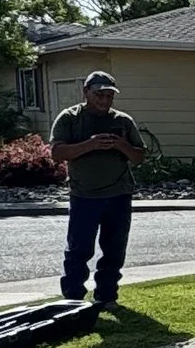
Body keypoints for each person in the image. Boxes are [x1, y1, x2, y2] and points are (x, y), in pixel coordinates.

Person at [49, 66, 146, 312]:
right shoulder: (70, 118)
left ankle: (106, 297)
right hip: (84, 195)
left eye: (109, 96)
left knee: (114, 250)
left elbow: (139, 157)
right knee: (79, 250)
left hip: (119, 194)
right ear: (86, 92)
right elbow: (57, 154)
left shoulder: (122, 121)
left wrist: (122, 145)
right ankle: (72, 301)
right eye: (99, 95)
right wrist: (90, 145)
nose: (104, 100)